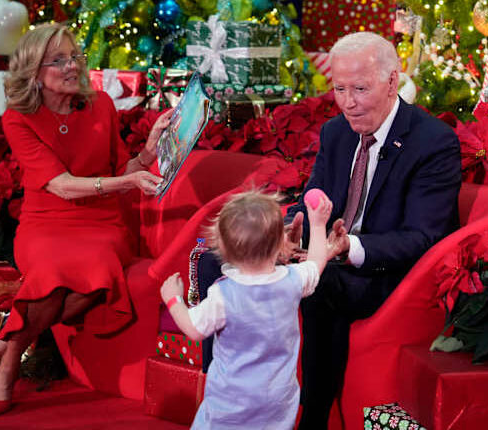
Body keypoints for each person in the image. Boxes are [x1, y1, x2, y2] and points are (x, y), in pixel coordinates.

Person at [0, 23, 173, 416]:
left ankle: (7, 349)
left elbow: (121, 170)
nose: (71, 66)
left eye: (74, 57)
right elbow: (61, 186)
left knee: (98, 270)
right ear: (34, 73)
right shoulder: (18, 119)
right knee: (50, 273)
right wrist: (126, 180)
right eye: (59, 60)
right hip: (45, 222)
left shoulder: (101, 105)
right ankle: (9, 360)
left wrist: (147, 153)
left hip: (101, 225)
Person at [287, 31, 462, 428]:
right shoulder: (336, 132)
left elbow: (423, 238)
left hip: (386, 275)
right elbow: (313, 199)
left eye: (360, 89)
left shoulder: (433, 142)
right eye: (340, 89)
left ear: (391, 81)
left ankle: (312, 421)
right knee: (225, 263)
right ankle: (229, 406)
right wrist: (288, 231)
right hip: (325, 256)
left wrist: (348, 247)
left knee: (321, 284)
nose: (348, 102)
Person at [160, 190, 336, 429]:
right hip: (277, 402)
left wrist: (173, 300)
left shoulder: (223, 294)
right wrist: (317, 224)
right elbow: (316, 262)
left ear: (222, 247)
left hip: (230, 405)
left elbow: (194, 329)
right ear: (281, 244)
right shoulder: (292, 280)